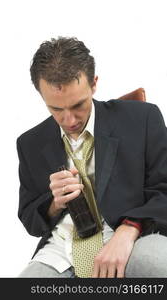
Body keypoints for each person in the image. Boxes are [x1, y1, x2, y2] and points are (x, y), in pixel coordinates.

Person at [17, 36, 167, 278]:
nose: (69, 121)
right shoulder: (30, 143)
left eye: (78, 105)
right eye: (56, 109)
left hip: (131, 234)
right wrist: (54, 203)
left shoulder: (142, 118)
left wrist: (130, 228)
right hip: (60, 252)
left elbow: (164, 188)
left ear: (94, 84)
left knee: (158, 264)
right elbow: (29, 219)